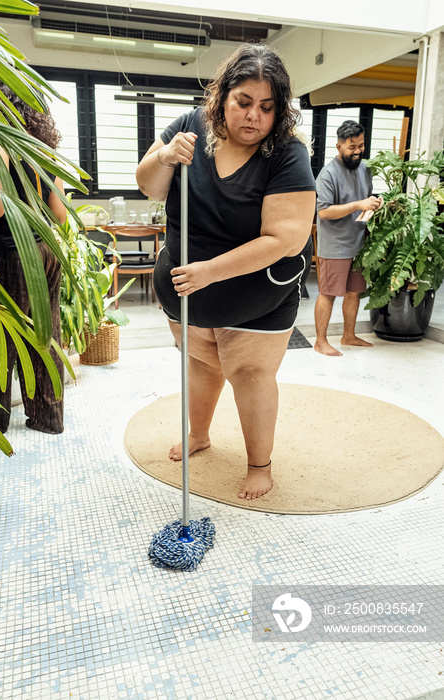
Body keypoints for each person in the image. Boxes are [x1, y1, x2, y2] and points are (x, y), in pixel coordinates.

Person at [136, 43, 316, 500]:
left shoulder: (286, 154)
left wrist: (211, 271)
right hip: (185, 290)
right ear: (222, 97)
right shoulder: (189, 129)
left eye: (267, 107)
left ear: (280, 112)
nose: (253, 116)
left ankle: (260, 465)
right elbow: (150, 188)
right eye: (243, 102)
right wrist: (163, 158)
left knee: (251, 375)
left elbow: (286, 239)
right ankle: (199, 434)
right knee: (199, 364)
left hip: (256, 297)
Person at [0, 82, 67, 438]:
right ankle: (48, 419)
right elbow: (60, 215)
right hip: (46, 254)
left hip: (9, 255)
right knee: (46, 336)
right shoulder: (45, 150)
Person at [314, 120, 382, 357]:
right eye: (351, 147)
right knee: (328, 293)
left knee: (354, 292)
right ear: (338, 146)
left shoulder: (365, 169)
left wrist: (374, 204)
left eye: (361, 146)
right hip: (334, 245)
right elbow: (323, 212)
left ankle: (349, 335)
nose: (357, 151)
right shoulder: (327, 174)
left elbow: (364, 202)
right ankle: (320, 341)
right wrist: (359, 204)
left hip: (359, 244)